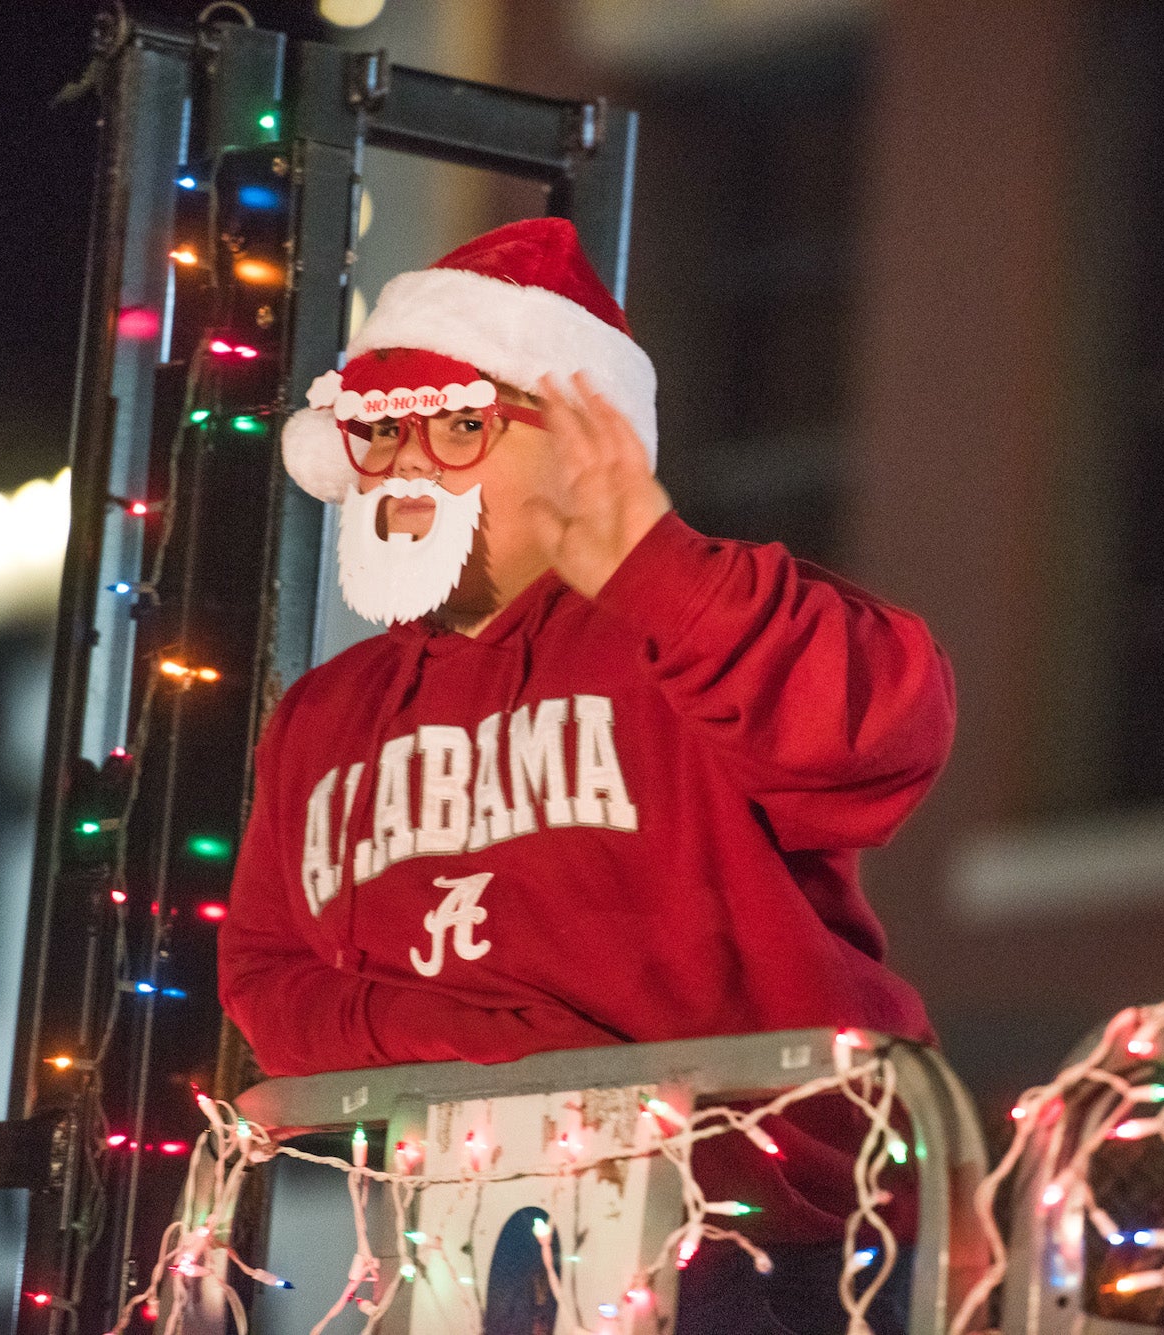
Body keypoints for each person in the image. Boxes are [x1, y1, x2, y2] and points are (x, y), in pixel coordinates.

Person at [218, 217, 952, 1332]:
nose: (406, 467)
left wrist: (656, 574)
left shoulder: (686, 622)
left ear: (576, 440)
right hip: (468, 1235)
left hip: (768, 1241)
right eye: (376, 434)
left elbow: (878, 730)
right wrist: (515, 1058)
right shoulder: (324, 716)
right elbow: (267, 985)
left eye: (458, 426)